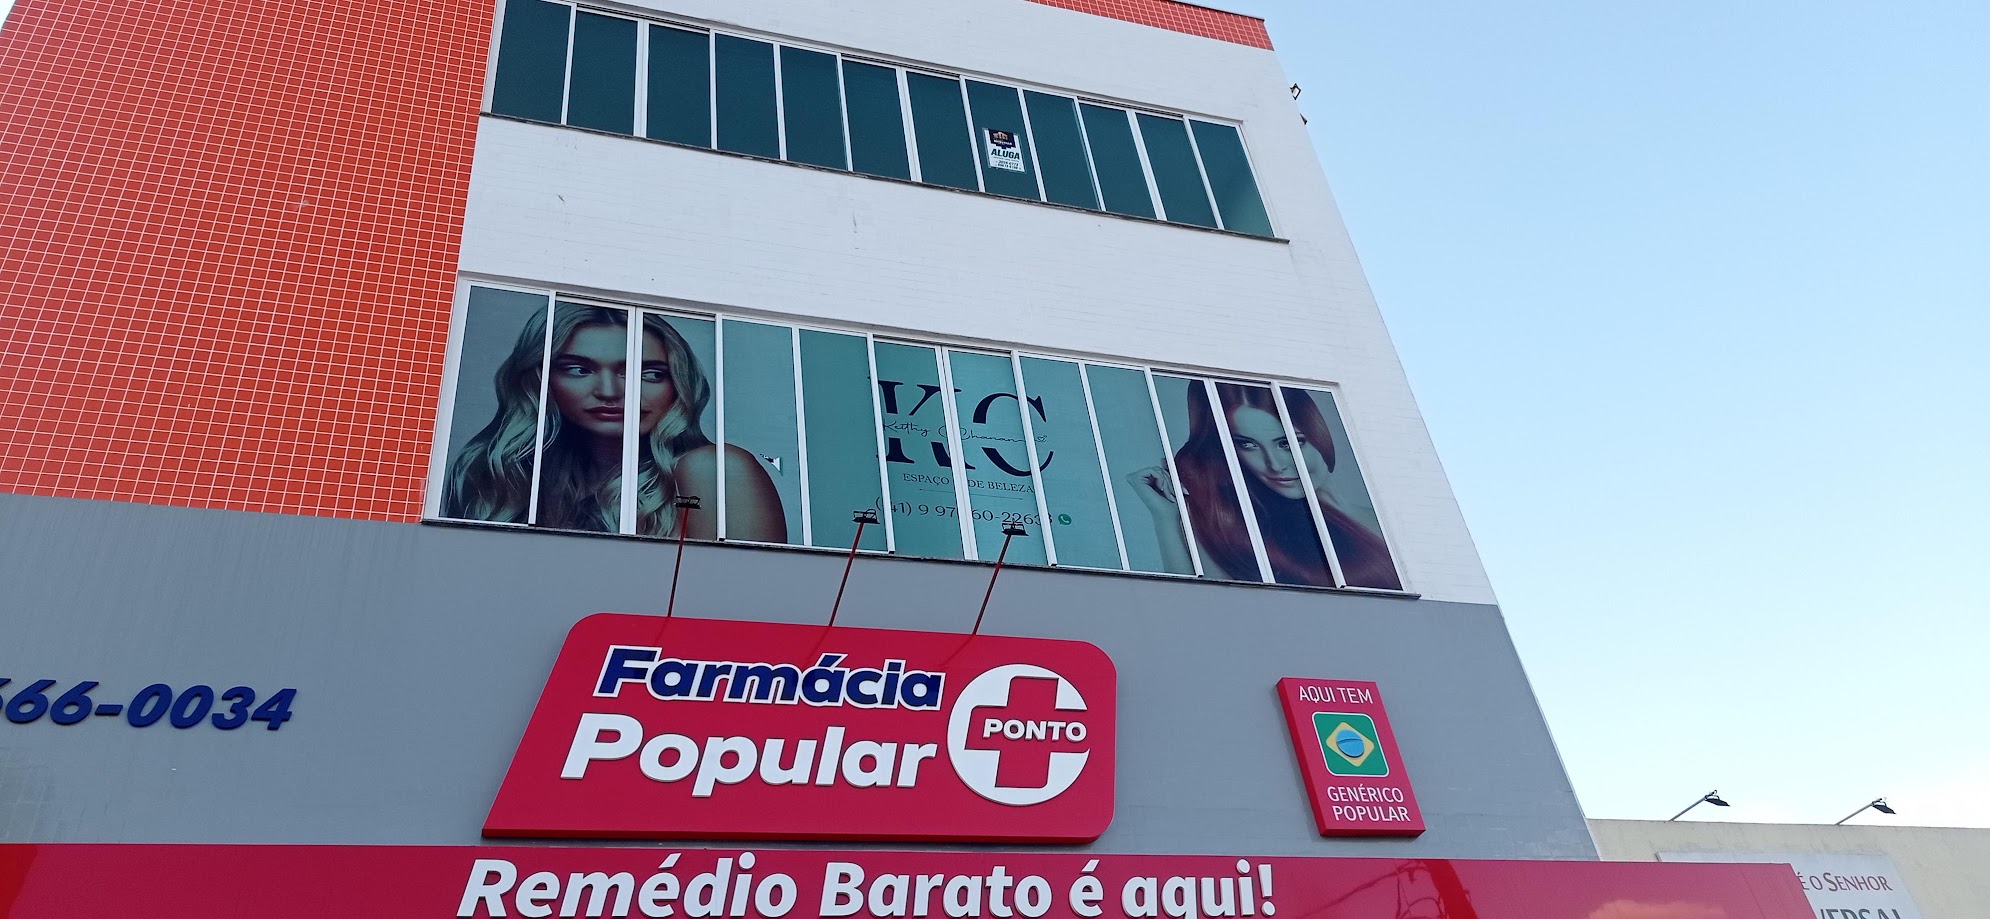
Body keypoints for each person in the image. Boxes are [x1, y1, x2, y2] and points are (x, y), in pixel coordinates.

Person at [443, 305, 786, 540]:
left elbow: (751, 605)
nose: (610, 392)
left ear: (678, 384)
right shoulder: (501, 477)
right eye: (579, 369)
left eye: (647, 374)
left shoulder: (714, 471)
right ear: (540, 380)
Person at [1128, 382, 1400, 589]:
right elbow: (1194, 605)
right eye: (1248, 445)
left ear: (1317, 432)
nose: (1275, 465)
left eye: (1287, 443)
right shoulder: (1236, 528)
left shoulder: (1386, 525)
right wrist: (1166, 519)